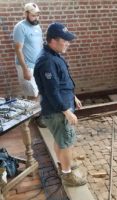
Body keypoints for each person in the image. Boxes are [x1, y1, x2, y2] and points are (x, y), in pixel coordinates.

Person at [34, 22, 86, 187]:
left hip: (60, 106)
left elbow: (62, 84)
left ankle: (65, 164)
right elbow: (52, 92)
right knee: (66, 142)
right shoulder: (47, 61)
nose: (68, 43)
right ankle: (67, 175)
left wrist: (73, 97)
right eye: (65, 40)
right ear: (53, 40)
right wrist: (67, 111)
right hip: (57, 111)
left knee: (60, 140)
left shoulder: (54, 55)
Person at [13, 3, 42, 100]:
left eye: (37, 15)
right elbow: (18, 49)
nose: (36, 18)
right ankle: (33, 115)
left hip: (37, 65)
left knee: (39, 92)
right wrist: (25, 69)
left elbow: (40, 45)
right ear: (26, 14)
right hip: (26, 66)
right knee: (32, 95)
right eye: (33, 15)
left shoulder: (37, 26)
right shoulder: (20, 27)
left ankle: (40, 114)